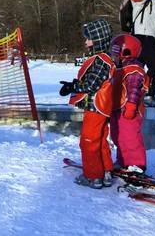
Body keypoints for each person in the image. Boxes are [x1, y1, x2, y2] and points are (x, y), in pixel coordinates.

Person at [59, 19, 115, 189]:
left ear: (97, 40)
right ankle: (105, 172)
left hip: (96, 107)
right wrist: (74, 85)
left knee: (88, 141)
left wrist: (73, 86)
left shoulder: (101, 60)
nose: (86, 41)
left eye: (88, 38)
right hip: (100, 108)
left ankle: (93, 176)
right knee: (100, 140)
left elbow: (92, 85)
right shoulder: (103, 58)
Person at [109, 34, 149, 175]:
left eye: (115, 53)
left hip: (128, 110)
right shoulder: (119, 68)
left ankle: (136, 163)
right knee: (117, 137)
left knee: (130, 137)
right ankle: (122, 161)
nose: (113, 56)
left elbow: (134, 89)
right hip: (117, 110)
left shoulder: (134, 69)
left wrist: (131, 107)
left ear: (125, 51)